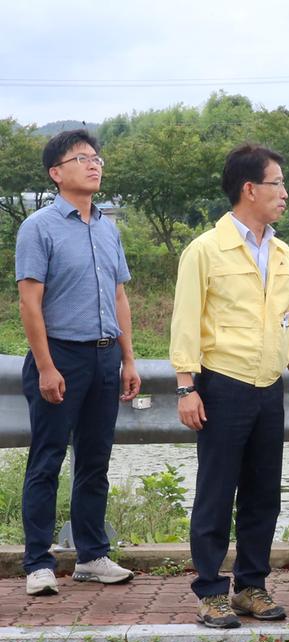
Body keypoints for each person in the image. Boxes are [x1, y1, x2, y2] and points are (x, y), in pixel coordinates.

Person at [170, 143, 289, 628]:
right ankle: (211, 592)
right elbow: (185, 321)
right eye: (277, 183)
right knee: (216, 492)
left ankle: (250, 586)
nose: (285, 193)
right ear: (249, 189)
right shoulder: (205, 250)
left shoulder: (282, 252)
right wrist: (186, 387)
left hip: (268, 387)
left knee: (262, 493)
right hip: (222, 385)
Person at [15, 129, 140, 597]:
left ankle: (92, 556)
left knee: (94, 461)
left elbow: (119, 296)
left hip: (106, 356)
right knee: (47, 460)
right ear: (56, 173)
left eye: (97, 158)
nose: (94, 165)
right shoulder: (39, 227)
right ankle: (38, 562)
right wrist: (46, 367)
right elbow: (30, 303)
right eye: (82, 158)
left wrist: (129, 359)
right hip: (60, 355)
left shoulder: (107, 227)